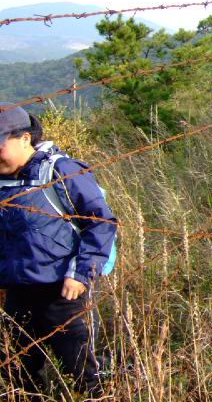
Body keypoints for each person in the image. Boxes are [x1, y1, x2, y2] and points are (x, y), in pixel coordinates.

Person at [0, 102, 117, 398]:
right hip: (16, 292)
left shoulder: (60, 171)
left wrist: (80, 273)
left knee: (81, 368)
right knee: (16, 369)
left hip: (64, 292)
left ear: (25, 138)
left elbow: (100, 222)